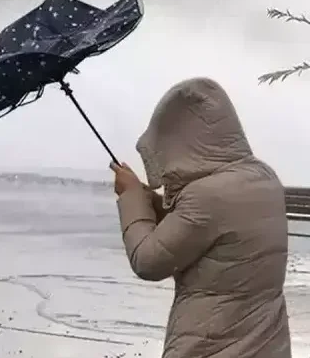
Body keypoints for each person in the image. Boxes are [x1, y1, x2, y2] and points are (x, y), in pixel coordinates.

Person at [110, 77, 291, 357]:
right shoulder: (263, 178)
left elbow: (148, 261)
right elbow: (205, 232)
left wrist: (131, 198)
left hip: (211, 345)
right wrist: (152, 203)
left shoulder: (207, 196)